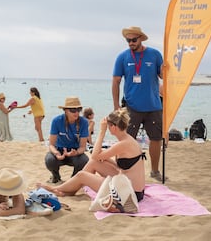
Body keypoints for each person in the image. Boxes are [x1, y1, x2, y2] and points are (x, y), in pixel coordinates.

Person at [38, 108, 145, 202]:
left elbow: (94, 155)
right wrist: (105, 159)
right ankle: (68, 190)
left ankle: (56, 189)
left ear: (113, 127)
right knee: (95, 162)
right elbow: (120, 165)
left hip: (129, 193)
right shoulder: (127, 140)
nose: (107, 128)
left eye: (107, 126)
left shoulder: (123, 144)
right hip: (129, 185)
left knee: (82, 175)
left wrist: (102, 132)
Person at [112, 26, 164, 182]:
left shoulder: (154, 54)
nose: (130, 43)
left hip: (153, 106)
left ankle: (154, 171)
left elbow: (163, 76)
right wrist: (116, 107)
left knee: (156, 139)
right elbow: (115, 82)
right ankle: (123, 171)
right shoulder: (122, 57)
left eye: (133, 40)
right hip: (131, 107)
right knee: (126, 140)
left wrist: (167, 70)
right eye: (128, 40)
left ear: (141, 38)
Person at [45, 96, 89, 183]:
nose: (76, 112)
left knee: (84, 160)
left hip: (74, 152)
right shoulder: (57, 121)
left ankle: (74, 179)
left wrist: (75, 152)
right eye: (73, 110)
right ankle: (55, 177)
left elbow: (83, 147)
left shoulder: (84, 122)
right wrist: (56, 153)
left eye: (78, 109)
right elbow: (51, 144)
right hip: (59, 150)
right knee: (49, 159)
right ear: (65, 110)